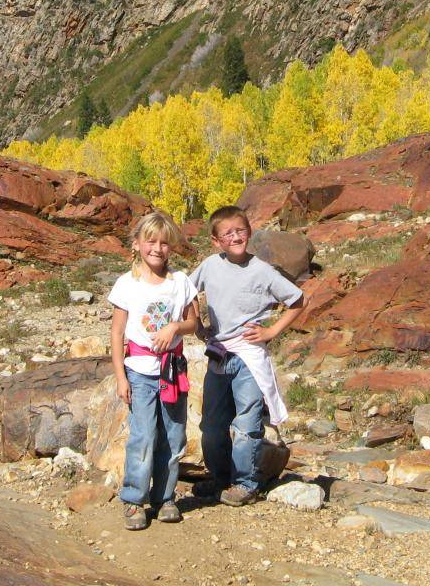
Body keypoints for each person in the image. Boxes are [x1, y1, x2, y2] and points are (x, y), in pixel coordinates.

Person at [192, 205, 305, 506]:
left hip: (249, 356)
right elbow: (186, 292)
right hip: (219, 354)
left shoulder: (262, 271)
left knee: (247, 422)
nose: (235, 236)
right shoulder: (209, 266)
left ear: (250, 232)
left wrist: (271, 332)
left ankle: (246, 483)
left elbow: (297, 300)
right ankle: (219, 477)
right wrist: (197, 326)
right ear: (216, 241)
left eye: (240, 230)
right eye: (227, 233)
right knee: (212, 426)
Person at [109, 210, 199, 531]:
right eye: (151, 241)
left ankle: (165, 498)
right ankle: (134, 499)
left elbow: (193, 323)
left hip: (172, 370)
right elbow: (117, 334)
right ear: (136, 244)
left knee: (173, 437)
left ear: (171, 247)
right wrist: (121, 378)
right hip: (139, 371)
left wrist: (175, 326)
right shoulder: (126, 284)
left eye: (164, 243)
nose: (157, 248)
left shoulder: (180, 282)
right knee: (144, 436)